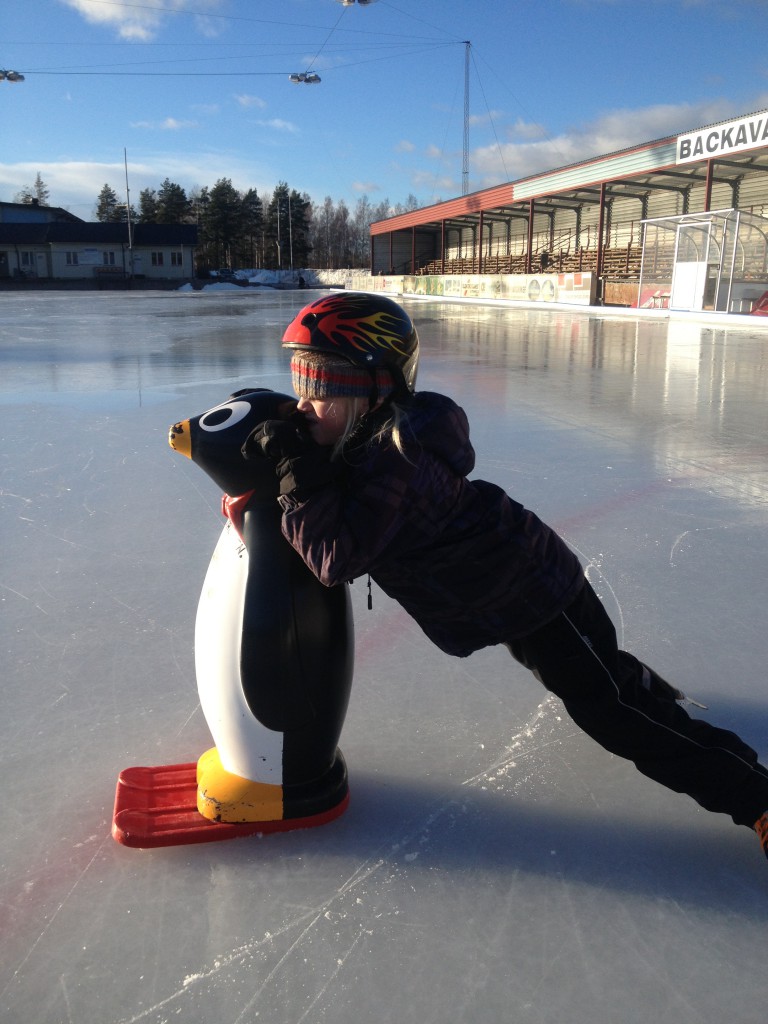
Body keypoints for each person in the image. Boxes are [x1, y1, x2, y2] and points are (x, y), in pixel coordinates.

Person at [243, 292, 768, 862]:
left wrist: (295, 476)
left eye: (324, 385)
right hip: (501, 597)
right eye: (301, 380)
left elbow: (335, 557)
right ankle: (635, 684)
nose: (304, 404)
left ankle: (755, 798)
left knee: (611, 715)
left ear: (378, 386)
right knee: (604, 678)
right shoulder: (363, 439)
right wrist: (270, 493)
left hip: (537, 594)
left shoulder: (403, 455)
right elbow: (329, 500)